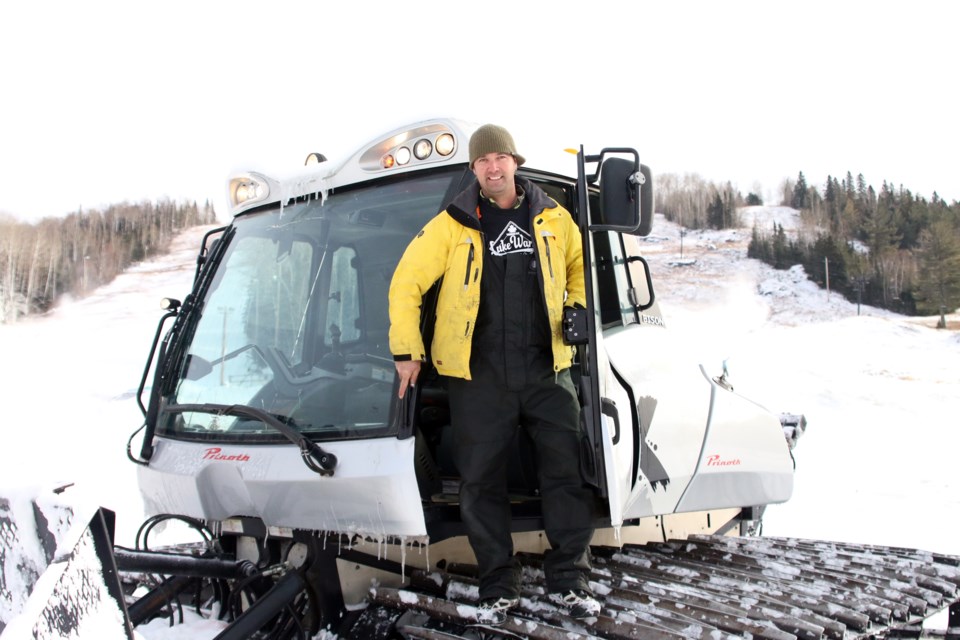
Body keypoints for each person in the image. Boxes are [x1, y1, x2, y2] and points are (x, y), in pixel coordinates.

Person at [388, 124, 600, 624]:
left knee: (567, 473)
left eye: (500, 157)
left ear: (515, 161)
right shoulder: (453, 223)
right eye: (483, 161)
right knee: (481, 482)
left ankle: (569, 577)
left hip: (548, 368)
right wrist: (406, 351)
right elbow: (406, 283)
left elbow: (579, 268)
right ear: (475, 169)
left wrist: (577, 307)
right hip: (478, 374)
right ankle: (498, 583)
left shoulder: (554, 218)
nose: (493, 167)